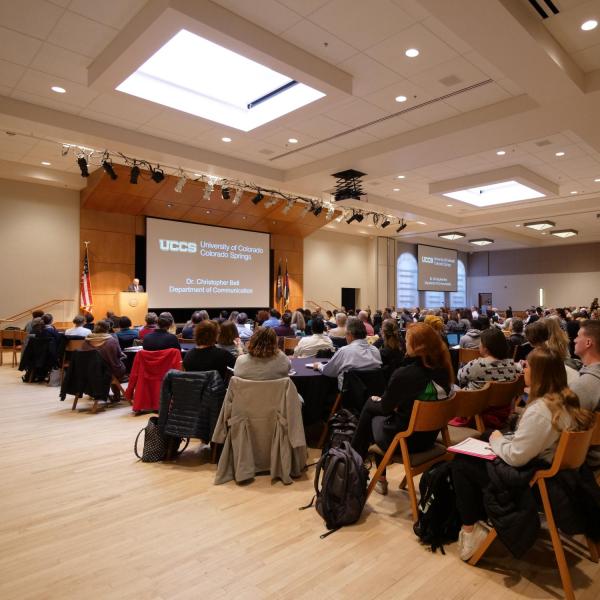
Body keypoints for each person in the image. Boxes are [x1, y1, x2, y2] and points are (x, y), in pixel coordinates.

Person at [452, 346, 595, 560]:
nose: (522, 370)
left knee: (461, 464)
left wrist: (498, 440)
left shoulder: (541, 410)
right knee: (481, 442)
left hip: (538, 484)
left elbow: (517, 456)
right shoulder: (567, 400)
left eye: (526, 366)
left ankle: (470, 533)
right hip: (560, 475)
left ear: (538, 373)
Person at [351, 322, 453, 495]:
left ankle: (354, 464)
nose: (404, 343)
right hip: (430, 437)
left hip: (404, 441)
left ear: (417, 346)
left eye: (407, 340)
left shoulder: (405, 375)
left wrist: (381, 402)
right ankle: (360, 464)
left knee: (370, 408)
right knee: (380, 410)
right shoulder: (444, 369)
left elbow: (384, 408)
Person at [318, 317, 382, 389]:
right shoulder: (376, 351)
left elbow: (328, 371)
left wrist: (319, 366)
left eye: (346, 334)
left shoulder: (344, 351)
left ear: (350, 334)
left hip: (348, 396)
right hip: (372, 394)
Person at [571, 320, 600, 466]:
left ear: (588, 342)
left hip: (583, 458)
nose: (574, 339)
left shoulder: (583, 386)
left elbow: (562, 428)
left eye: (577, 336)